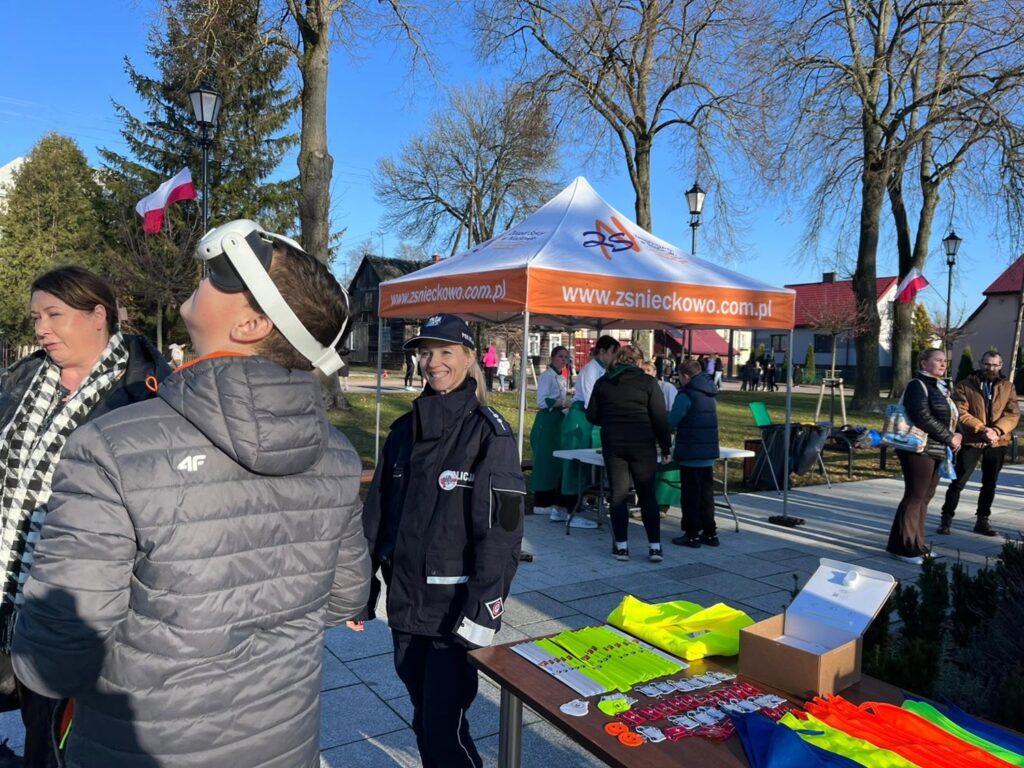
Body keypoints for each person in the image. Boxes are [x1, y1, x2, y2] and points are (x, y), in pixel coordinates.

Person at [12, 220, 371, 768]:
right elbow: (346, 596)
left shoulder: (110, 448)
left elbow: (54, 659)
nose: (205, 275)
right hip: (280, 739)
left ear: (251, 324)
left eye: (223, 274)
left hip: (142, 746)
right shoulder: (340, 454)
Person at [0, 266, 170, 768]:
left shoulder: (144, 394)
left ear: (98, 315)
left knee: (58, 736)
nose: (42, 329)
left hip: (78, 602)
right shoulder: (23, 381)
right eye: (36, 318)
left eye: (54, 315)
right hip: (8, 587)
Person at [363, 313, 524, 768]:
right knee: (423, 719)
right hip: (405, 606)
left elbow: (503, 534)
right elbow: (376, 517)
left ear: (470, 358)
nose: (433, 362)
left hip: (454, 613)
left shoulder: (489, 434)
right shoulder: (402, 433)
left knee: (443, 727)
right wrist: (361, 589)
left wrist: (484, 611)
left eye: (445, 352)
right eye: (426, 353)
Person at [587, 346, 671, 563]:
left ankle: (621, 547)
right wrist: (666, 447)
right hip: (642, 443)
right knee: (647, 495)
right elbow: (660, 417)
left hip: (614, 443)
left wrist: (609, 419)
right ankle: (655, 547)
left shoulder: (604, 382)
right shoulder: (648, 382)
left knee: (618, 495)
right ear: (638, 362)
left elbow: (592, 415)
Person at [886, 348, 961, 565]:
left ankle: (917, 544)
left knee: (925, 497)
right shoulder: (916, 385)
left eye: (945, 361)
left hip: (937, 448)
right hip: (918, 449)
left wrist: (958, 434)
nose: (943, 364)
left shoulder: (942, 387)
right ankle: (905, 547)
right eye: (938, 360)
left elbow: (952, 416)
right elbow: (921, 416)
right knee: (915, 496)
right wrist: (949, 437)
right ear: (923, 363)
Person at [938, 350, 1019, 537]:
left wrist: (996, 431)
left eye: (995, 365)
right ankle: (946, 518)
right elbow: (960, 411)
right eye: (987, 364)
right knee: (958, 482)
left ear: (1001, 366)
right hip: (972, 440)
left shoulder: (1008, 387)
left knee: (989, 483)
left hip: (997, 441)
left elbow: (1013, 413)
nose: (991, 368)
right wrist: (982, 429)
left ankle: (982, 520)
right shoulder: (965, 385)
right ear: (981, 363)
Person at [531, 346, 595, 527]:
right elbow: (542, 400)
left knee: (555, 461)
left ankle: (553, 500)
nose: (563, 360)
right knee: (545, 461)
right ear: (552, 357)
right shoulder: (546, 376)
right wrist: (562, 402)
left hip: (558, 421)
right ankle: (541, 501)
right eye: (560, 356)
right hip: (547, 420)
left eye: (566, 357)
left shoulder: (561, 377)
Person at [560, 335, 620, 497]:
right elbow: (590, 399)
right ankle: (569, 501)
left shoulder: (604, 370)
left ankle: (586, 497)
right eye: (612, 353)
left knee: (590, 462)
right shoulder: (590, 370)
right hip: (581, 417)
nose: (614, 357)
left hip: (592, 418)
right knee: (576, 460)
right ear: (602, 351)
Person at [670, 360, 721, 548]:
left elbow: (672, 420)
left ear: (685, 376)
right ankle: (710, 532)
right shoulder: (710, 394)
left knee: (690, 495)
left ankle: (691, 534)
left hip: (691, 452)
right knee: (706, 496)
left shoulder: (686, 395)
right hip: (707, 453)